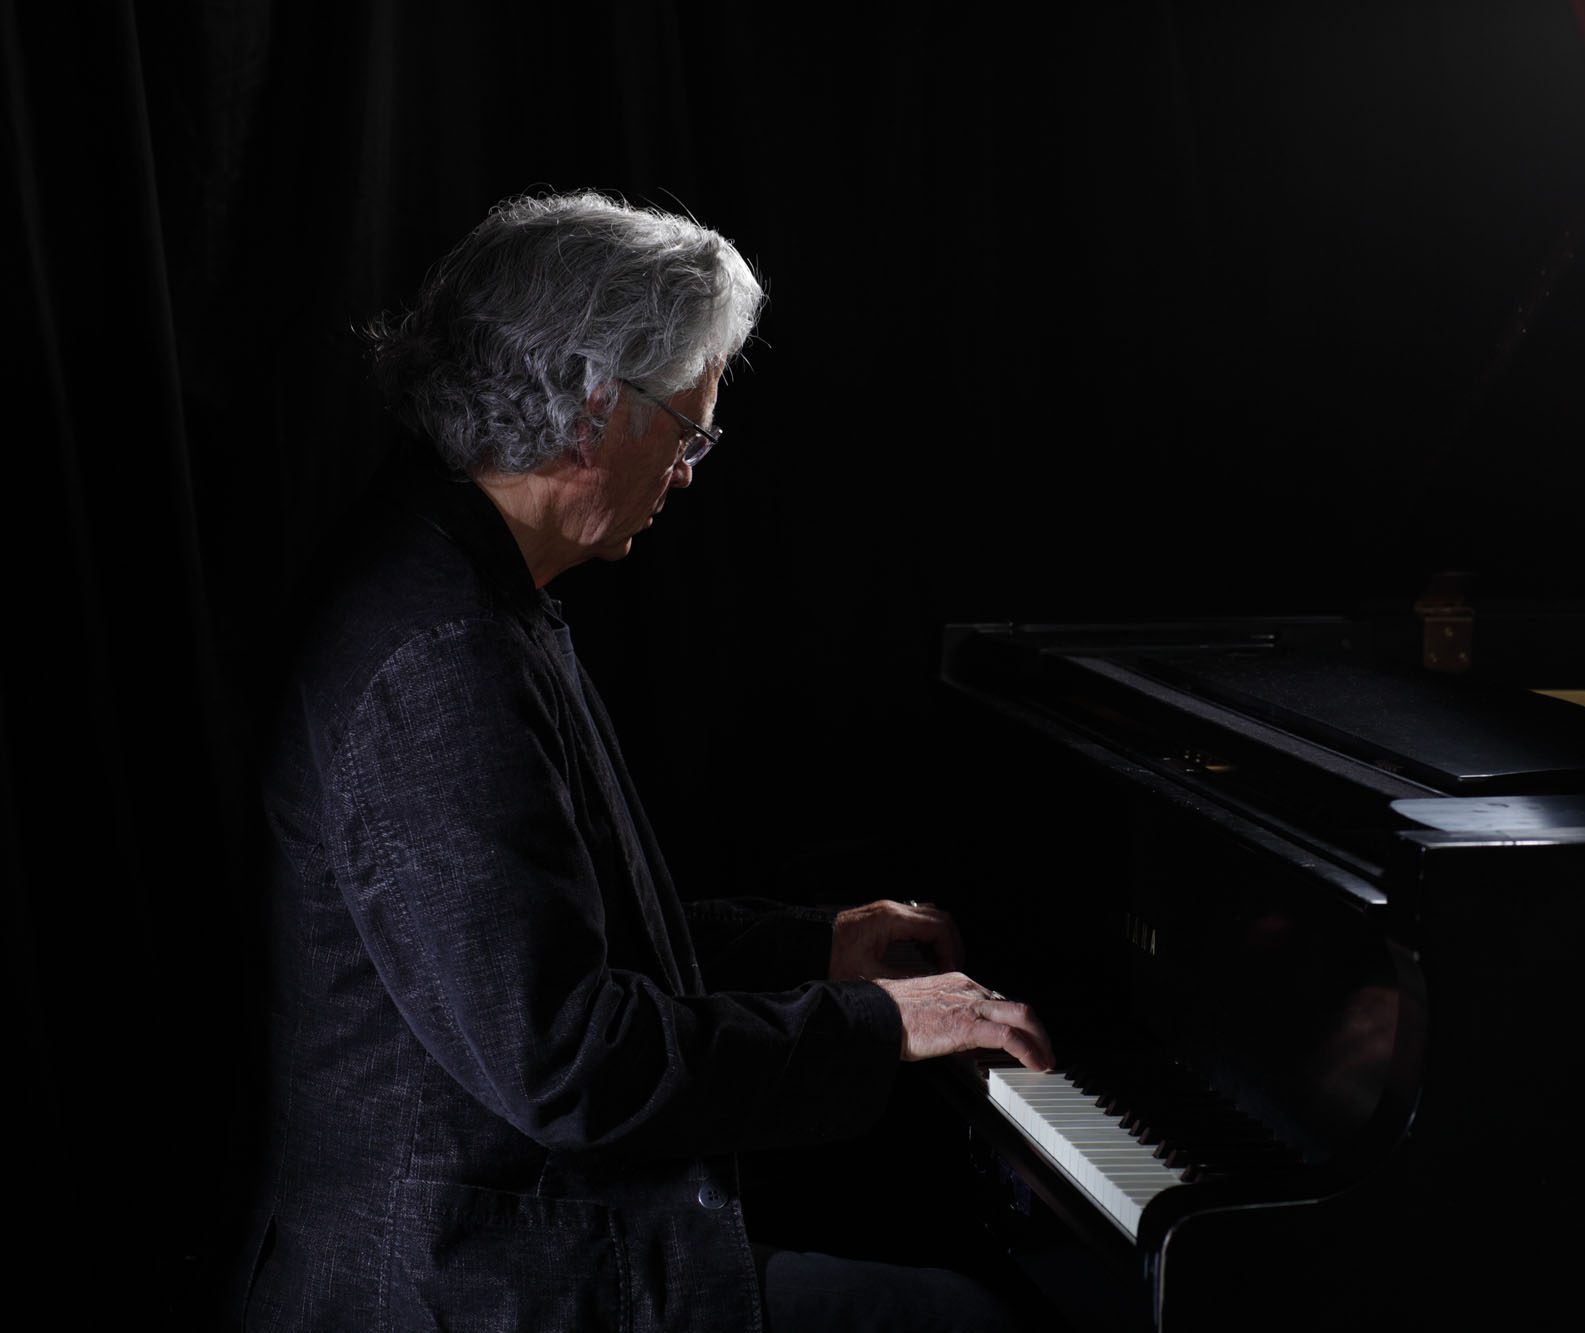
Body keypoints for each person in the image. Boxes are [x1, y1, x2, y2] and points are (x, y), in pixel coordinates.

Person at [238, 190, 1052, 1332]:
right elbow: (571, 1059)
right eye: (686, 429)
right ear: (591, 413)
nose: (686, 472)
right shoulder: (439, 655)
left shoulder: (463, 579)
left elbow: (562, 942)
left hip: (506, 1247)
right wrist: (882, 1023)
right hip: (459, 1286)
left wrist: (815, 947)